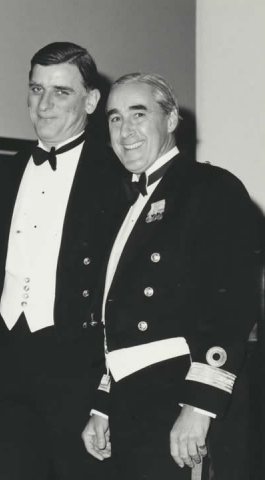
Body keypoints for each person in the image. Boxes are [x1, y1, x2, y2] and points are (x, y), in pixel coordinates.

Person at [81, 73, 260, 479]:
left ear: (172, 119)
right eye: (114, 118)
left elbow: (231, 302)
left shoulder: (210, 187)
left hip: (178, 393)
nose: (125, 131)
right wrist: (103, 405)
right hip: (131, 398)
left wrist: (200, 405)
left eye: (138, 114)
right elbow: (119, 320)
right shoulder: (125, 204)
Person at [0, 41, 127, 480]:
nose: (44, 104)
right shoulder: (5, 172)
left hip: (79, 366)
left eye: (60, 92)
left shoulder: (117, 173)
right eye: (35, 89)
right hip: (5, 359)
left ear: (90, 100)